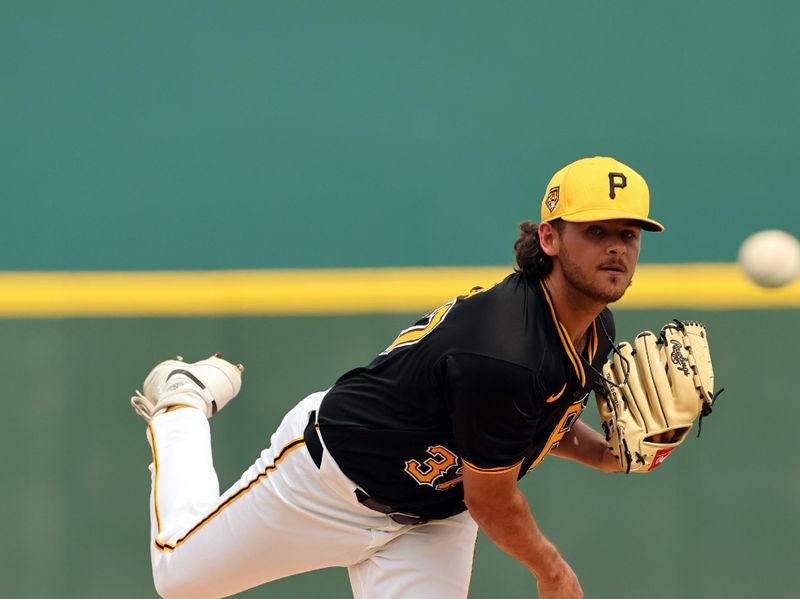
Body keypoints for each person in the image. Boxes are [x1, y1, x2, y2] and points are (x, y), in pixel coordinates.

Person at [131, 156, 664, 599]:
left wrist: (602, 453)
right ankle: (183, 402)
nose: (616, 247)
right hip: (327, 484)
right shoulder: (504, 350)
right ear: (549, 237)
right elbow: (493, 498)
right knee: (180, 579)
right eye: (595, 232)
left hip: (431, 520)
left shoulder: (591, 328)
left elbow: (533, 420)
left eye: (628, 234)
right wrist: (552, 571)